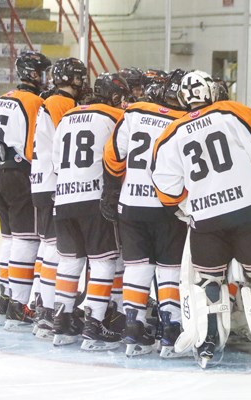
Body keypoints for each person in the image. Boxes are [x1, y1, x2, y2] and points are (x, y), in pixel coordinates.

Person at [151, 70, 251, 367]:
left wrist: (192, 200)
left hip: (207, 219)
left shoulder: (171, 133)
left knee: (210, 282)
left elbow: (166, 190)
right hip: (249, 210)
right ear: (212, 91)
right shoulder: (231, 111)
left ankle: (210, 339)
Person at [101, 69, 189, 357]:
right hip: (167, 207)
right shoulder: (185, 121)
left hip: (131, 206)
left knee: (137, 267)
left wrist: (115, 189)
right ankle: (171, 331)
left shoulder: (134, 112)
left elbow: (113, 157)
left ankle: (134, 329)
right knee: (169, 269)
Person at [51, 72, 130, 350]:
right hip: (94, 199)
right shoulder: (114, 117)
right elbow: (121, 159)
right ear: (116, 96)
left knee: (70, 261)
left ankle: (61, 321)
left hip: (63, 199)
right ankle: (94, 326)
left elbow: (55, 162)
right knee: (103, 262)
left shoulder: (67, 117)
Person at [0, 51, 51, 330]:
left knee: (9, 240)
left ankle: (5, 300)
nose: (45, 78)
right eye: (42, 73)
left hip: (0, 174)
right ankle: (18, 305)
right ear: (33, 74)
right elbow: (32, 147)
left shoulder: (0, 100)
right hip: (20, 176)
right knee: (27, 242)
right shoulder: (35, 102)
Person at [30, 57, 88, 340]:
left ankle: (44, 309)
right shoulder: (59, 103)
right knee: (55, 250)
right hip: (53, 183)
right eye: (80, 77)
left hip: (42, 182)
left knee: (49, 248)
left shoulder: (51, 100)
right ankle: (47, 313)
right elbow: (61, 146)